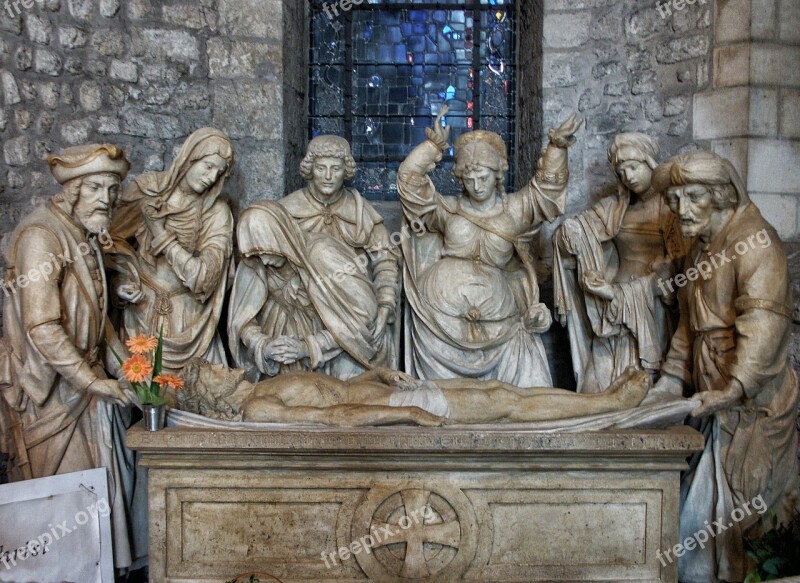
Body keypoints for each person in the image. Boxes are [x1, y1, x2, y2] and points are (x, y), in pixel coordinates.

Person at [650, 150, 799, 583]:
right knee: (693, 520)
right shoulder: (699, 249)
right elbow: (688, 327)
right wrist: (669, 381)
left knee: (725, 519)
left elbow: (764, 322)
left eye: (693, 198)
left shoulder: (755, 242)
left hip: (749, 405)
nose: (682, 211)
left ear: (720, 195)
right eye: (675, 201)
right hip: (710, 399)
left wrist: (735, 387)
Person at [0, 144, 136, 569]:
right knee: (62, 507)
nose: (106, 200)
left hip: (85, 390)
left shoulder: (82, 233)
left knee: (99, 498)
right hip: (53, 397)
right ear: (73, 189)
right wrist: (94, 381)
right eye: (95, 187)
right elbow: (42, 327)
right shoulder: (42, 236)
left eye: (112, 190)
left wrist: (131, 368)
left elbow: (98, 317)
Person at [398, 106, 582, 386]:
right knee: (443, 402)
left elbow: (547, 192)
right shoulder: (448, 209)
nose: (476, 185)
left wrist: (556, 147)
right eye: (468, 179)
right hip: (440, 320)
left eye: (483, 177)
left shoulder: (515, 209)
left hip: (499, 320)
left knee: (526, 392)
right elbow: (410, 185)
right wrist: (432, 148)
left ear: (497, 175)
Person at [229, 136, 399, 380]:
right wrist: (263, 344)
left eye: (336, 168)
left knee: (354, 381)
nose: (328, 176)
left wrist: (385, 303)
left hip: (348, 312)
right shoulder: (279, 217)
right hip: (292, 317)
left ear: (346, 171)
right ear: (310, 169)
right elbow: (246, 302)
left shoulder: (361, 215)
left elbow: (385, 260)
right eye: (321, 168)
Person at [553, 133, 687, 393]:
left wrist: (625, 293)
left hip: (651, 307)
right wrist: (571, 232)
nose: (629, 176)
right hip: (612, 309)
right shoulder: (614, 208)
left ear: (651, 164)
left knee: (643, 389)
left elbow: (677, 266)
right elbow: (579, 231)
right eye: (621, 171)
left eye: (634, 167)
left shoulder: (670, 208)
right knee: (595, 389)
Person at [180, 360, 650, 427]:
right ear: (210, 397)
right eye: (213, 371)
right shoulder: (258, 406)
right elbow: (333, 417)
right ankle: (609, 405)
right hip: (394, 406)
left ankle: (601, 397)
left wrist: (376, 370)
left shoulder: (264, 382)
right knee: (505, 406)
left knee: (503, 388)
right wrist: (407, 412)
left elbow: (337, 388)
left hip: (388, 390)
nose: (225, 366)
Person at [110, 128, 235, 373]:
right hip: (141, 312)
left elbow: (203, 278)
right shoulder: (147, 192)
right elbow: (110, 246)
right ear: (190, 157)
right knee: (140, 391)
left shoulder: (216, 212)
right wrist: (120, 282)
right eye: (208, 166)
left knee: (199, 398)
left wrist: (162, 235)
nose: (211, 177)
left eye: (219, 172)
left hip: (190, 321)